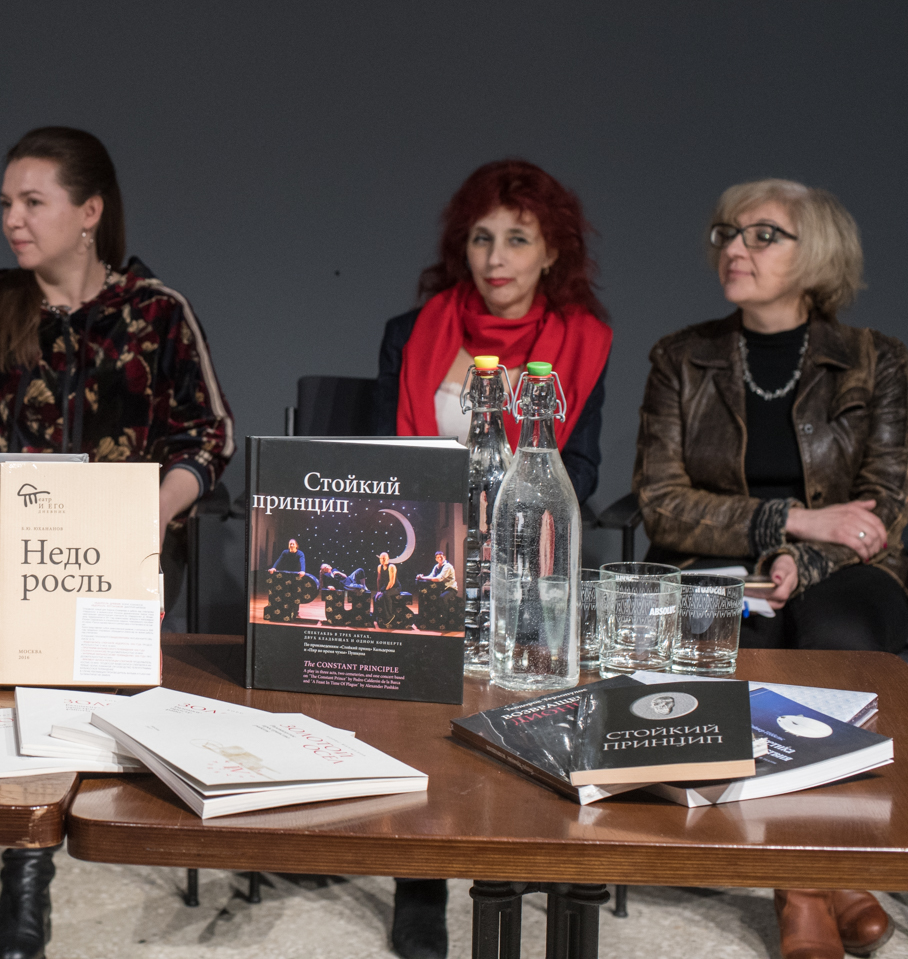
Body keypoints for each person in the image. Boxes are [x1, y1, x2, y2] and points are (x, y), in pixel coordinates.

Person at [0, 125, 233, 959]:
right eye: (5, 204)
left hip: (123, 553)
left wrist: (153, 511)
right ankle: (27, 870)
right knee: (26, 680)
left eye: (33, 201)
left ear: (89, 211)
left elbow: (207, 436)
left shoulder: (157, 312)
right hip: (10, 555)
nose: (12, 220)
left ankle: (56, 850)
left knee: (74, 682)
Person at [633, 179, 902, 959]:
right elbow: (662, 502)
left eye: (762, 234)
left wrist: (804, 557)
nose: (734, 247)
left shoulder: (878, 360)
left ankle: (819, 864)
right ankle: (809, 881)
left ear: (816, 253)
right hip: (708, 558)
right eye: (727, 232)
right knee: (744, 637)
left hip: (845, 561)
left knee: (839, 632)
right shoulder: (680, 357)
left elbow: (887, 498)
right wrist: (788, 521)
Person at [370, 158, 612, 959]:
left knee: (524, 679)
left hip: (527, 555)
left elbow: (582, 468)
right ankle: (419, 883)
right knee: (417, 699)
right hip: (422, 546)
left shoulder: (584, 340)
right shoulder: (413, 331)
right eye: (481, 238)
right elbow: (384, 458)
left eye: (517, 238)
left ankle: (504, 855)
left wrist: (516, 516)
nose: (496, 257)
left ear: (552, 252)